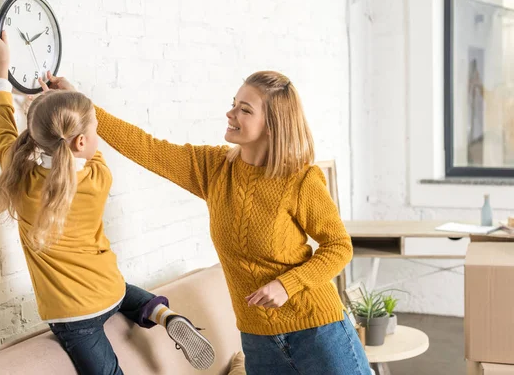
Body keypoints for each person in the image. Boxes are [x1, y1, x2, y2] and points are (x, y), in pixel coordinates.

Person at [41, 69, 370, 374]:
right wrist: (81, 107)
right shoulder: (215, 169)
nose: (231, 113)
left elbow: (339, 247)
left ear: (272, 124)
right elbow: (146, 148)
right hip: (258, 339)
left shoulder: (301, 180)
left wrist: (287, 285)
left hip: (317, 331)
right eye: (233, 104)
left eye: (245, 109)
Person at [0, 27, 215, 375]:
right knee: (128, 294)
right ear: (80, 143)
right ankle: (160, 312)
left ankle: (155, 312)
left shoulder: (21, 182)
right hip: (110, 288)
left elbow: (0, 128)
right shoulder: (98, 177)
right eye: (92, 131)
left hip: (75, 315)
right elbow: (85, 147)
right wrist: (69, 97)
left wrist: (1, 66)